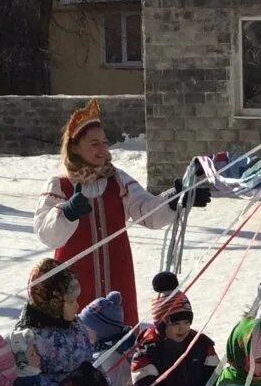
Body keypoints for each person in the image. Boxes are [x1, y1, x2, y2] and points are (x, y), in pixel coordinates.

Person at [32, 98, 212, 323]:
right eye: (94, 143)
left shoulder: (117, 179)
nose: (103, 149)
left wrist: (174, 200)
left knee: (119, 341)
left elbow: (146, 211)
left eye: (104, 143)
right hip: (74, 285)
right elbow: (44, 233)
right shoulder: (59, 185)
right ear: (75, 147)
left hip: (117, 278)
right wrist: (66, 213)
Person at [14, 258, 93, 386]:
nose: (77, 306)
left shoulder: (75, 324)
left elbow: (86, 357)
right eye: (71, 301)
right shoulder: (29, 336)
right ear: (53, 302)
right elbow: (28, 383)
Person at [79, 290, 135, 386]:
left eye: (86, 328)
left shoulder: (112, 355)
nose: (83, 331)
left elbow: (117, 385)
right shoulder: (100, 350)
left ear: (102, 331)